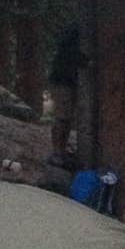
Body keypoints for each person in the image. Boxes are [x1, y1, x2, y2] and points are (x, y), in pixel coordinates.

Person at [48, 23, 80, 162]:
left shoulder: (67, 46)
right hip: (62, 84)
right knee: (62, 117)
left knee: (66, 119)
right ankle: (57, 152)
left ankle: (61, 150)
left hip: (65, 84)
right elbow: (78, 59)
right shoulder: (69, 49)